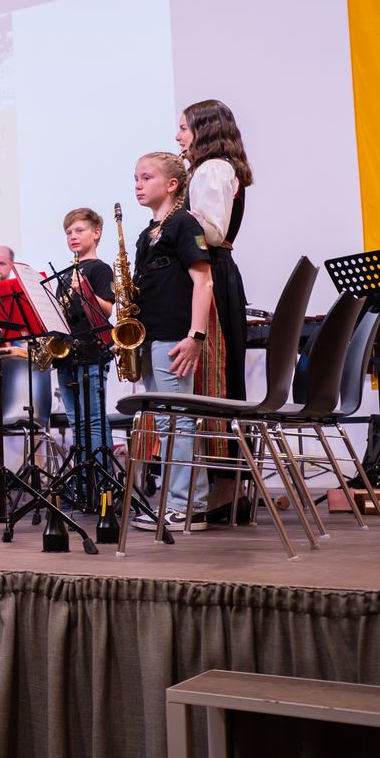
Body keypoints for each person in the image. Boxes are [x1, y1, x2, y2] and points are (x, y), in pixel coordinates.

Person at [127, 152, 212, 532]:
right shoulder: (147, 233)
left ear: (172, 184)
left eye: (146, 178)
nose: (138, 185)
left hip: (175, 337)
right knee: (165, 423)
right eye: (136, 178)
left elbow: (203, 282)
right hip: (149, 338)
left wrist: (195, 335)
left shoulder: (183, 222)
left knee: (180, 422)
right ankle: (174, 502)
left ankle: (189, 505)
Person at [176, 100, 254, 403]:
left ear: (203, 130)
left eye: (184, 128)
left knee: (213, 373)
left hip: (213, 271)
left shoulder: (211, 169)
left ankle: (215, 446)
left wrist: (177, 219)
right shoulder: (218, 168)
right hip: (219, 269)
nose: (178, 136)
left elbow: (212, 231)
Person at [52, 208, 115, 455]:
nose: (73, 236)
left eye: (79, 230)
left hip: (92, 352)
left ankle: (102, 484)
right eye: (69, 232)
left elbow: (107, 311)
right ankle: (82, 482)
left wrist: (86, 292)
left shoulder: (100, 269)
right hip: (67, 354)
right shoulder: (65, 274)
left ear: (96, 233)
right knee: (76, 422)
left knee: (94, 420)